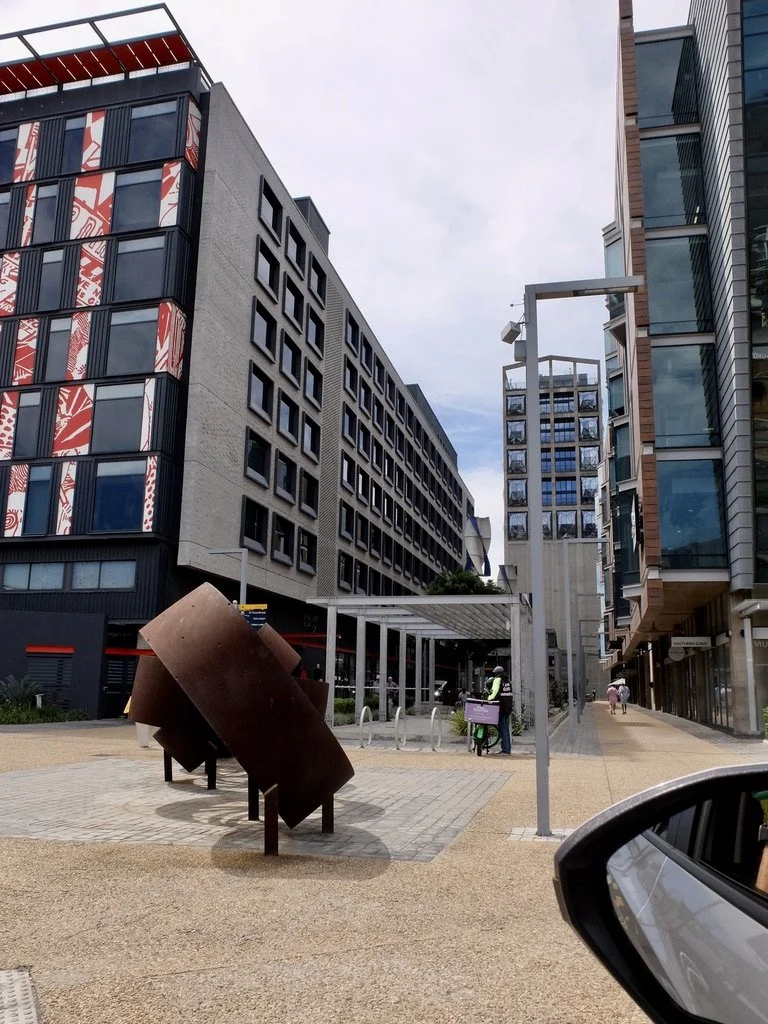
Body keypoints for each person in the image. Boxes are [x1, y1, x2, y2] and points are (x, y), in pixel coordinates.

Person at [488, 665, 514, 755]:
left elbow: (494, 692)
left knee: (502, 728)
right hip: (508, 707)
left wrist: (488, 700)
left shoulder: (497, 680)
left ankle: (505, 750)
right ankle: (508, 749)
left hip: (501, 707)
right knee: (506, 728)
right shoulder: (507, 681)